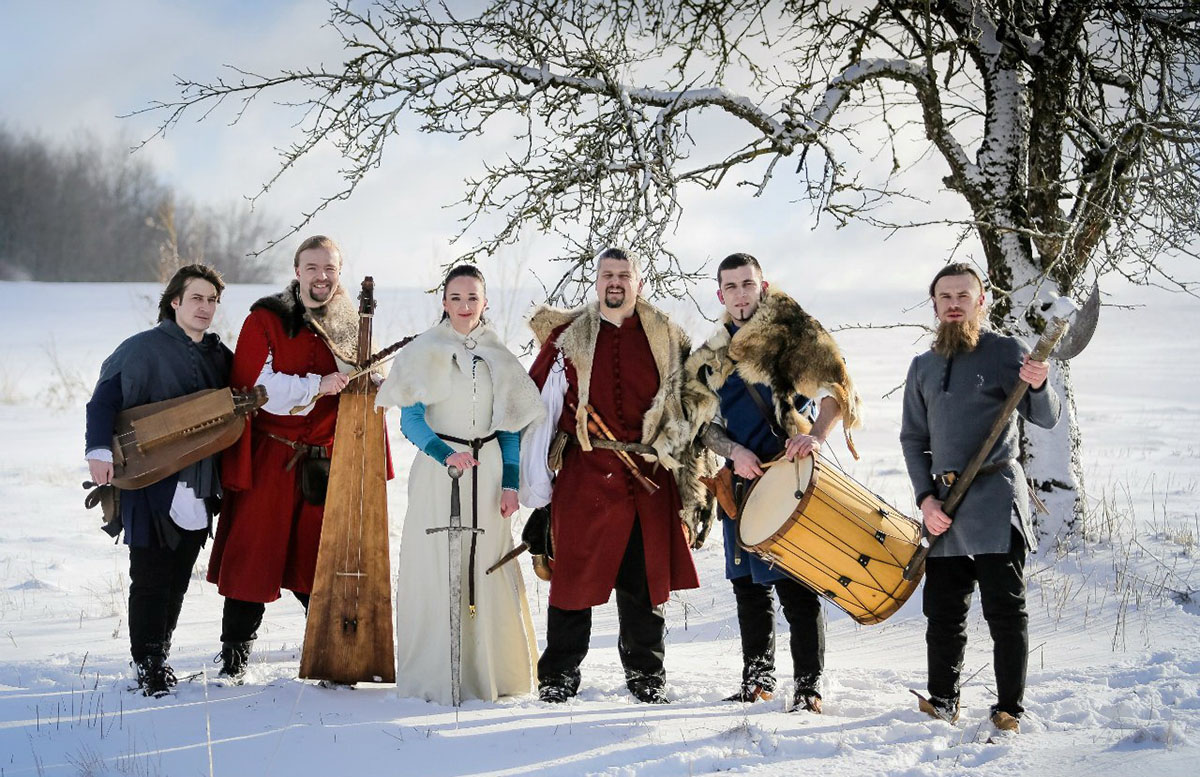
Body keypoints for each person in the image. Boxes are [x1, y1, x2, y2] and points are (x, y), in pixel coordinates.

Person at [681, 253, 861, 712]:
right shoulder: (713, 354)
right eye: (731, 287)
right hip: (740, 482)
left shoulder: (792, 335)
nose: (740, 294)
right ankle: (758, 681)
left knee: (794, 589)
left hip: (787, 477)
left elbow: (837, 389)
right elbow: (702, 423)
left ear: (763, 287)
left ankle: (808, 688)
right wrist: (734, 453)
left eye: (748, 284)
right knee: (747, 588)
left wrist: (816, 437)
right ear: (720, 295)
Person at [523, 247, 701, 704]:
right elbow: (541, 408)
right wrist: (538, 489)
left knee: (644, 587)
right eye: (607, 275)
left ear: (639, 282)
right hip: (585, 473)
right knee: (572, 581)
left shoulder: (665, 336)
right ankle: (559, 676)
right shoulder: (569, 337)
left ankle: (647, 678)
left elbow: (690, 409)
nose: (615, 282)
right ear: (596, 282)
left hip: (649, 477)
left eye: (624, 275)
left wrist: (691, 485)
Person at [207, 234, 387, 683]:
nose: (321, 277)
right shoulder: (268, 317)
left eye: (329, 269)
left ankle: (331, 655)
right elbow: (254, 387)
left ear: (339, 274)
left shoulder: (350, 322)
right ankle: (234, 660)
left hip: (323, 463)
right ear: (297, 271)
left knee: (320, 561)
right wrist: (314, 386)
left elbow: (366, 384)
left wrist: (374, 384)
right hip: (273, 457)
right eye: (312, 268)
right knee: (254, 558)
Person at [900, 263, 1060, 734]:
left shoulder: (1006, 351)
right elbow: (913, 439)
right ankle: (943, 699)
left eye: (963, 296)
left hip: (994, 497)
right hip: (945, 505)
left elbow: (1045, 416)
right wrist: (926, 500)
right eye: (945, 297)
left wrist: (1040, 381)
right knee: (943, 611)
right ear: (934, 305)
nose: (953, 304)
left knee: (1004, 609)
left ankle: (1010, 707)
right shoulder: (923, 367)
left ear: (981, 301)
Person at [375, 265, 544, 704]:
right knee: (437, 565)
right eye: (456, 297)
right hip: (439, 472)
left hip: (487, 472)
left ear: (485, 302)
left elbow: (508, 427)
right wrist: (444, 454)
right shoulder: (422, 351)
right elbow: (410, 419)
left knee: (486, 565)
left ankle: (489, 675)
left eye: (473, 297)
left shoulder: (500, 356)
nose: (465, 306)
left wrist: (510, 483)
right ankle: (435, 677)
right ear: (444, 302)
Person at [84, 264, 231, 696]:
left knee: (179, 576)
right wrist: (97, 450)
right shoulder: (139, 349)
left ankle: (159, 654)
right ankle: (147, 663)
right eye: (197, 298)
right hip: (149, 478)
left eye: (212, 300)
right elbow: (103, 402)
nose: (205, 308)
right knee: (149, 575)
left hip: (201, 482)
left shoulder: (220, 357)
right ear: (175, 302)